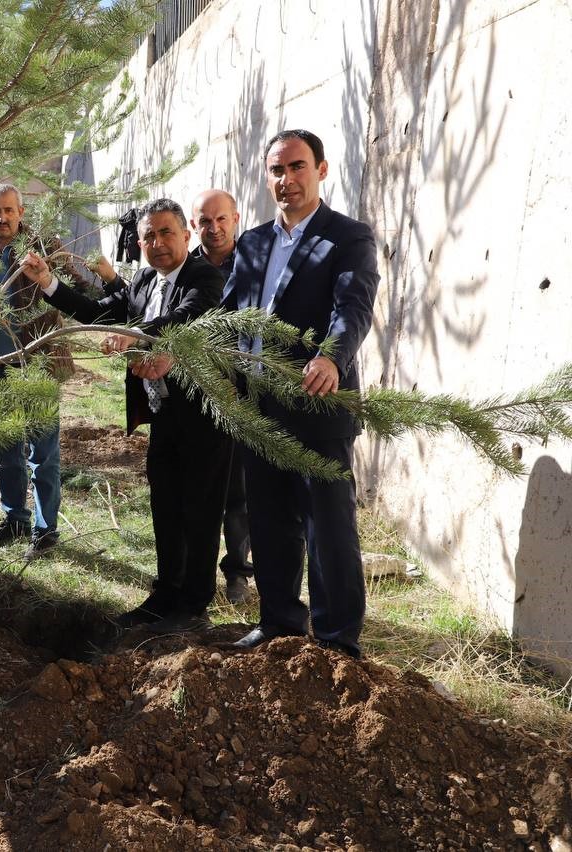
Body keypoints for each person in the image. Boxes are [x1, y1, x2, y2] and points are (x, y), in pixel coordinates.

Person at [21, 199, 230, 632]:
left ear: (186, 236)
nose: (157, 243)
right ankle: (166, 593)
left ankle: (193, 606)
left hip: (205, 418)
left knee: (200, 511)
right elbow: (99, 311)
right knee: (165, 506)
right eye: (149, 236)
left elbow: (184, 319)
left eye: (166, 233)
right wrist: (48, 284)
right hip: (164, 416)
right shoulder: (142, 283)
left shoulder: (204, 277)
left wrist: (134, 336)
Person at [221, 129, 380, 658]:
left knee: (327, 526)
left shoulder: (348, 238)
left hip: (318, 405)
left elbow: (353, 307)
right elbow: (227, 315)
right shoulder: (252, 243)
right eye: (276, 170)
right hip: (258, 407)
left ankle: (337, 640)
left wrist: (333, 357)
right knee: (269, 521)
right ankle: (280, 624)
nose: (286, 179)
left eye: (297, 167)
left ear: (321, 170)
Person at [0, 182, 90, 559]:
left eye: (10, 210)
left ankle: (46, 531)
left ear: (21, 213)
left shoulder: (42, 246)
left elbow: (75, 288)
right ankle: (15, 520)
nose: (3, 217)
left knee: (42, 453)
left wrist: (45, 276)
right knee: (5, 449)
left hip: (38, 362)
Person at [190, 189, 254, 604]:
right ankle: (193, 573)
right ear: (194, 225)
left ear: (235, 218)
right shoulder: (185, 265)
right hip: (193, 391)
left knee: (237, 491)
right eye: (205, 221)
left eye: (221, 220)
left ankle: (237, 573)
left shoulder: (254, 263)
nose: (214, 229)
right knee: (196, 488)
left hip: (242, 389)